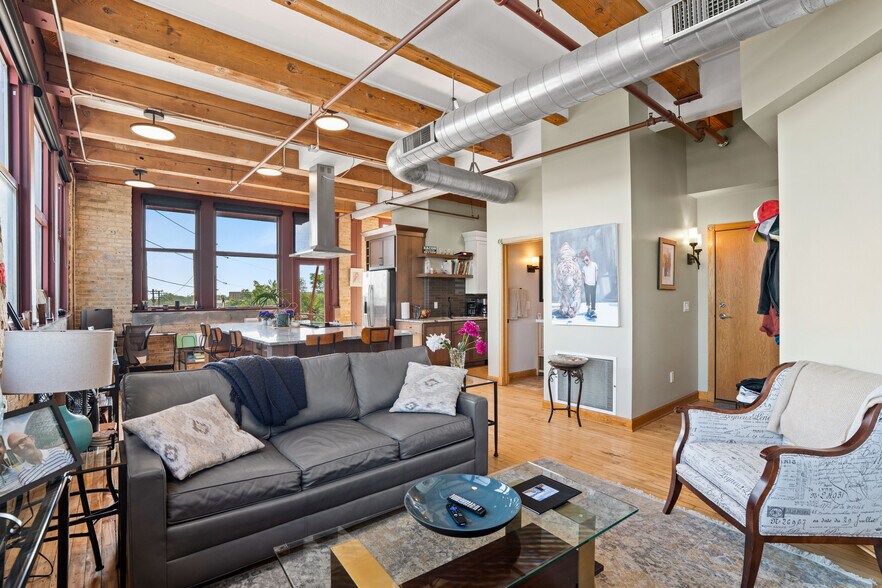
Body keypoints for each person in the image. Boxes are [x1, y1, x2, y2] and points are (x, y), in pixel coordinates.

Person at [7, 432, 74, 486]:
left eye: (22, 441)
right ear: (14, 452)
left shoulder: (60, 453)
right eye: (15, 447)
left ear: (32, 439)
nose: (21, 448)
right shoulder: (24, 477)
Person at [580, 249, 599, 319]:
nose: (585, 262)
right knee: (587, 296)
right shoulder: (584, 267)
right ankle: (588, 309)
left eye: (587, 260)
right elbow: (583, 274)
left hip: (593, 284)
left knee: (593, 296)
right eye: (584, 261)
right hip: (587, 284)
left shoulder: (594, 264)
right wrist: (584, 281)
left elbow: (596, 272)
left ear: (589, 258)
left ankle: (593, 310)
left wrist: (596, 280)